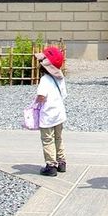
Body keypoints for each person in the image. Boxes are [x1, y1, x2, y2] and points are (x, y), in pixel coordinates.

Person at [34, 45, 67, 177]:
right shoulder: (60, 77)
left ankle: (51, 165)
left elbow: (41, 96)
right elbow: (64, 94)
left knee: (48, 139)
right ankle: (62, 162)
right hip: (59, 113)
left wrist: (36, 102)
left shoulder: (44, 80)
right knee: (58, 138)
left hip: (47, 115)